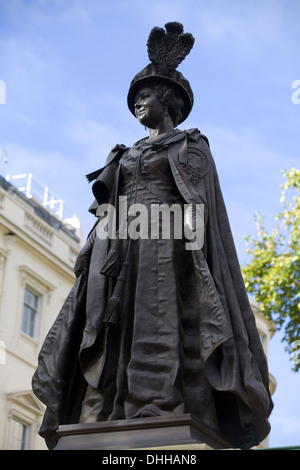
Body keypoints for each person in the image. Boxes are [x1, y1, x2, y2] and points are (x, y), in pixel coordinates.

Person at [32, 22, 273, 450]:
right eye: (137, 97)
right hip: (119, 246)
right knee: (105, 326)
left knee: (158, 323)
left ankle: (157, 406)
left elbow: (201, 207)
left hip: (167, 247)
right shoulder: (124, 153)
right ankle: (104, 409)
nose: (140, 102)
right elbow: (108, 208)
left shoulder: (190, 146)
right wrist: (93, 249)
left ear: (169, 102)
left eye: (147, 95)